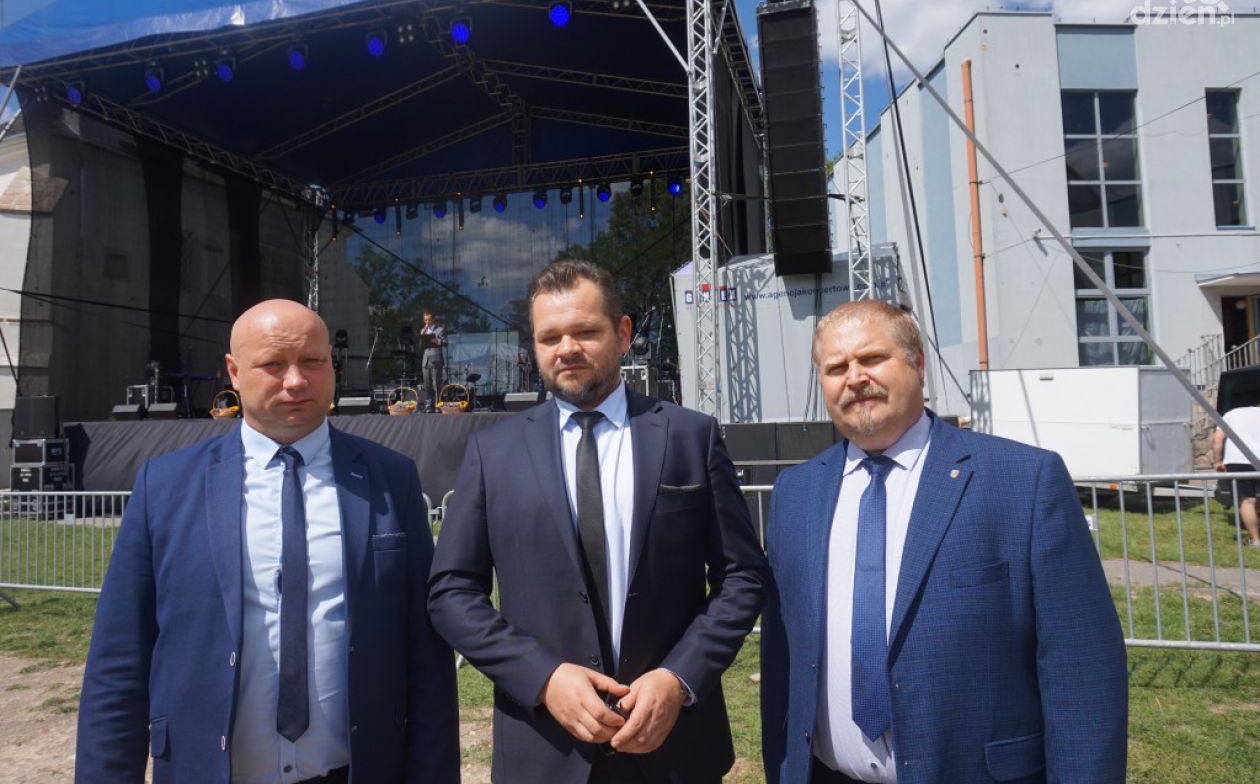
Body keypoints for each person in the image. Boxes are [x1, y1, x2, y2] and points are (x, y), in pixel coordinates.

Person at [76, 299, 459, 784]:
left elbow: (426, 655)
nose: (296, 381)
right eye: (273, 364)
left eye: (312, 361)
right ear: (234, 372)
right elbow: (119, 662)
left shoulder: (391, 479)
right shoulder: (166, 486)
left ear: (332, 365)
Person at [429, 259, 768, 783]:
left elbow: (742, 575)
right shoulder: (492, 453)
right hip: (544, 750)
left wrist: (680, 677)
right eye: (550, 337)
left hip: (674, 749)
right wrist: (542, 678)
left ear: (623, 333)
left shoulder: (690, 437)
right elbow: (451, 592)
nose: (566, 348)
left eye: (585, 332)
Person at [760, 299, 1127, 784]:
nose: (855, 378)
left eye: (872, 358)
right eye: (835, 367)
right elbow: (782, 657)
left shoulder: (1023, 480)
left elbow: (1081, 667)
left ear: (917, 364)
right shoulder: (796, 493)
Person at [1212, 399, 1260, 549]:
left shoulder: (1231, 414)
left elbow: (1217, 438)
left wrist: (1217, 461)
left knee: (1246, 501)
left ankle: (1256, 540)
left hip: (1237, 461)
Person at [420, 311, 447, 411]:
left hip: (436, 359)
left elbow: (445, 343)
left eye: (429, 320)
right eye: (425, 320)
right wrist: (421, 335)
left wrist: (437, 341)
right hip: (426, 360)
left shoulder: (440, 330)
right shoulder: (424, 330)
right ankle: (428, 406)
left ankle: (437, 405)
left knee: (436, 384)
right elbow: (421, 346)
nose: (427, 322)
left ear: (433, 319)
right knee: (427, 385)